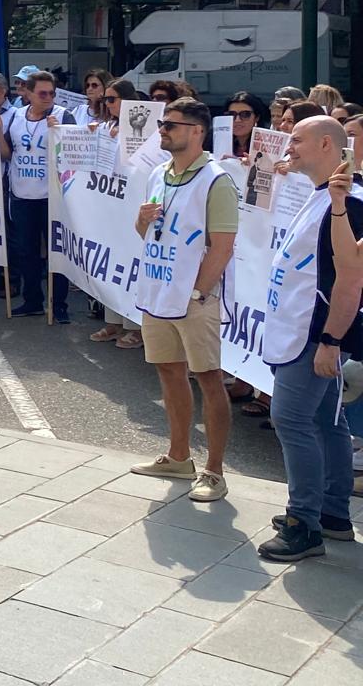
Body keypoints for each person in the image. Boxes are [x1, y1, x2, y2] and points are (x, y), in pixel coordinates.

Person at [256, 116, 363, 560]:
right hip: (304, 330)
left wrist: (330, 339)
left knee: (291, 420)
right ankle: (334, 514)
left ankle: (303, 523)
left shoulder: (349, 203)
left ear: (325, 144)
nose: (289, 146)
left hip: (313, 334)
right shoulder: (325, 196)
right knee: (326, 421)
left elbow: (349, 282)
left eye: (296, 140)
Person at [129, 98, 237, 504]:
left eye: (171, 124)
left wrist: (198, 292)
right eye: (161, 123)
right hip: (158, 292)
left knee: (209, 378)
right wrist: (142, 221)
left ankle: (214, 471)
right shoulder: (159, 173)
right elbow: (148, 234)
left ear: (197, 131)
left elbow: (223, 248)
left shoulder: (216, 180)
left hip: (193, 298)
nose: (162, 130)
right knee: (169, 373)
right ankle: (178, 456)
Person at [1, 71, 72, 321]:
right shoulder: (17, 117)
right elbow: (9, 153)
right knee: (26, 252)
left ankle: (59, 305)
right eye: (42, 93)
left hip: (52, 198)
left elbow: (74, 156)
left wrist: (61, 134)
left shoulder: (63, 116)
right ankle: (32, 300)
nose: (48, 98)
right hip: (22, 195)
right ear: (28, 93)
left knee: (56, 254)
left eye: (52, 93)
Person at [222, 92, 269, 161]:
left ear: (257, 118)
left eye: (245, 114)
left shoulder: (268, 147)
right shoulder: (214, 143)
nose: (237, 120)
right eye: (231, 114)